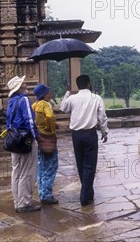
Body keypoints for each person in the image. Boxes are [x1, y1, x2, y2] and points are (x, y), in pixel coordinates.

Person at [60, 75, 108, 206]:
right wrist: (104, 132)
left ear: (78, 85)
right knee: (90, 165)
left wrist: (67, 92)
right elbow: (102, 117)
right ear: (89, 84)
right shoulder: (96, 98)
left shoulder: (72, 98)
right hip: (90, 134)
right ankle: (84, 194)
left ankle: (88, 191)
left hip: (76, 135)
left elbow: (63, 108)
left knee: (80, 163)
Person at [6, 75, 40, 213]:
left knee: (16, 171)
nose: (26, 84)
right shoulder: (24, 99)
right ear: (20, 87)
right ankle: (24, 203)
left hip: (14, 139)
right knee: (27, 171)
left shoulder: (11, 101)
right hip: (25, 138)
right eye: (23, 83)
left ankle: (17, 202)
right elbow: (30, 121)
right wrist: (35, 137)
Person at [32, 84, 59, 205]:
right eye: (48, 92)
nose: (50, 94)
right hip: (48, 137)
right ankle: (47, 195)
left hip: (39, 137)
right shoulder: (45, 105)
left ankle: (42, 192)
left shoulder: (35, 105)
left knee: (41, 166)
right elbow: (50, 116)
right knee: (51, 166)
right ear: (44, 94)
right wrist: (51, 128)